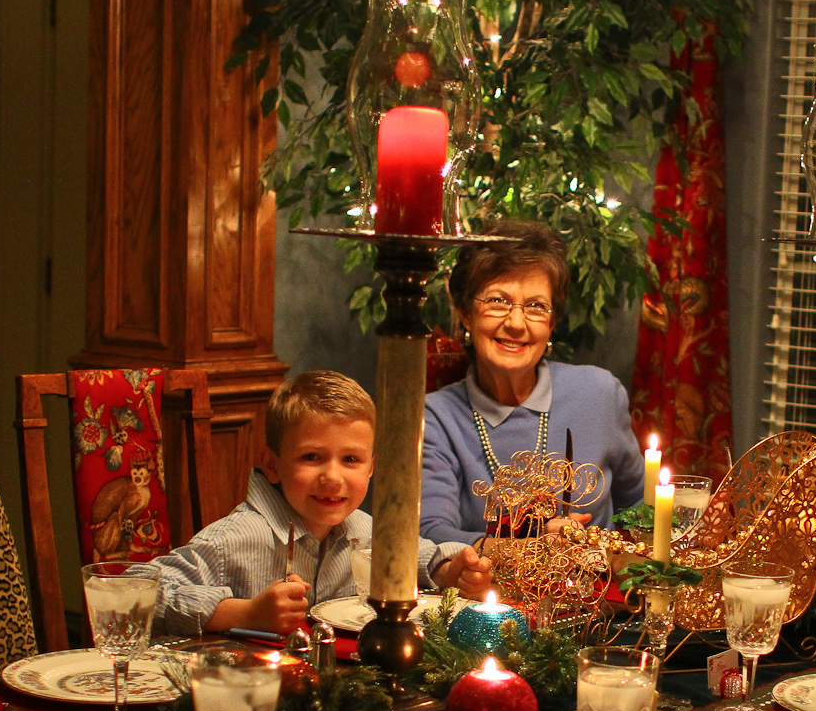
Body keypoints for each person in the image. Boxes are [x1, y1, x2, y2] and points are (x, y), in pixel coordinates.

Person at [149, 370, 491, 637]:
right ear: (272, 464)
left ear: (371, 467)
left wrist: (449, 572)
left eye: (351, 459)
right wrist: (244, 613)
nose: (332, 477)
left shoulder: (365, 530)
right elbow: (141, 591)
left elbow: (421, 558)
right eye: (311, 457)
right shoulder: (233, 540)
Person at [422, 220, 644, 545]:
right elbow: (430, 534)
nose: (516, 323)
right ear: (465, 313)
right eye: (497, 301)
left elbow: (641, 508)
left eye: (536, 306)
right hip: (485, 580)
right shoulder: (436, 418)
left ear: (552, 323)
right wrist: (531, 549)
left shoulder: (600, 395)